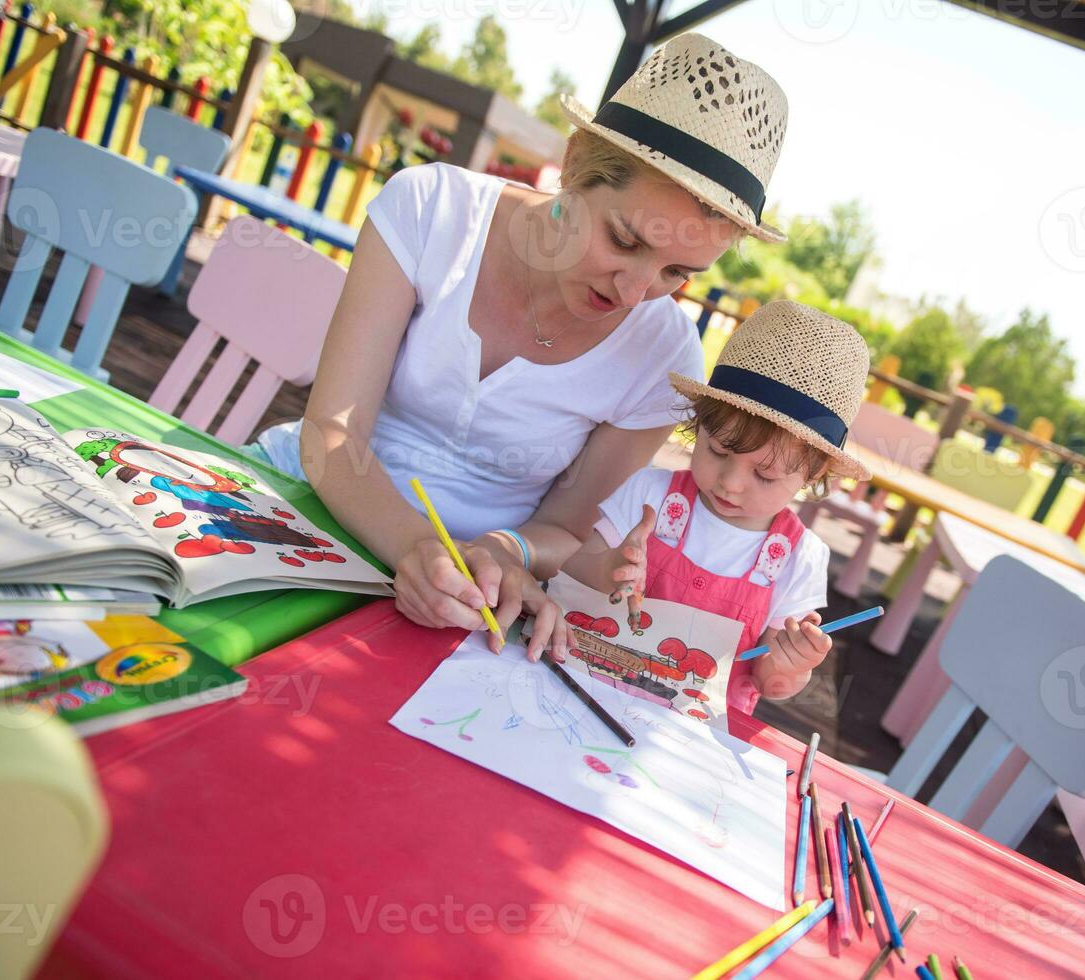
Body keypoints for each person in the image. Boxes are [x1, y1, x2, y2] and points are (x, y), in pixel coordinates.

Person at [254, 33, 792, 646]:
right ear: (575, 166)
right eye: (624, 240)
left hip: (473, 595)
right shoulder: (433, 209)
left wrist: (500, 552)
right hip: (301, 512)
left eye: (677, 273)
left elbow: (564, 528)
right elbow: (332, 437)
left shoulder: (665, 357)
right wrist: (417, 548)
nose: (635, 289)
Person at [551, 300, 872, 717]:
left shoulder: (798, 559)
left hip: (688, 736)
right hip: (583, 687)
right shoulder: (651, 493)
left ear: (813, 473)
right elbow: (570, 570)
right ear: (698, 424)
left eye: (766, 475)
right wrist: (607, 567)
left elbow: (766, 682)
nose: (731, 482)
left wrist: (794, 665)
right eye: (718, 450)